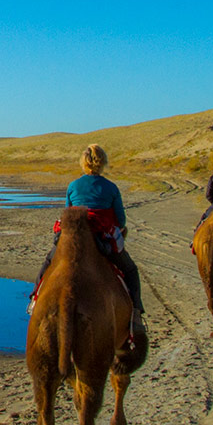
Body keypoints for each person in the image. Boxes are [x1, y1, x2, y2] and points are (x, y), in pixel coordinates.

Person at [32, 144, 145, 337]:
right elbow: (121, 220)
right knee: (130, 270)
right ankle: (135, 314)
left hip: (74, 238)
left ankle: (35, 301)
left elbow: (67, 214)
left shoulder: (73, 186)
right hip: (101, 238)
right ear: (102, 163)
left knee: (49, 262)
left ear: (84, 163)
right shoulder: (111, 187)